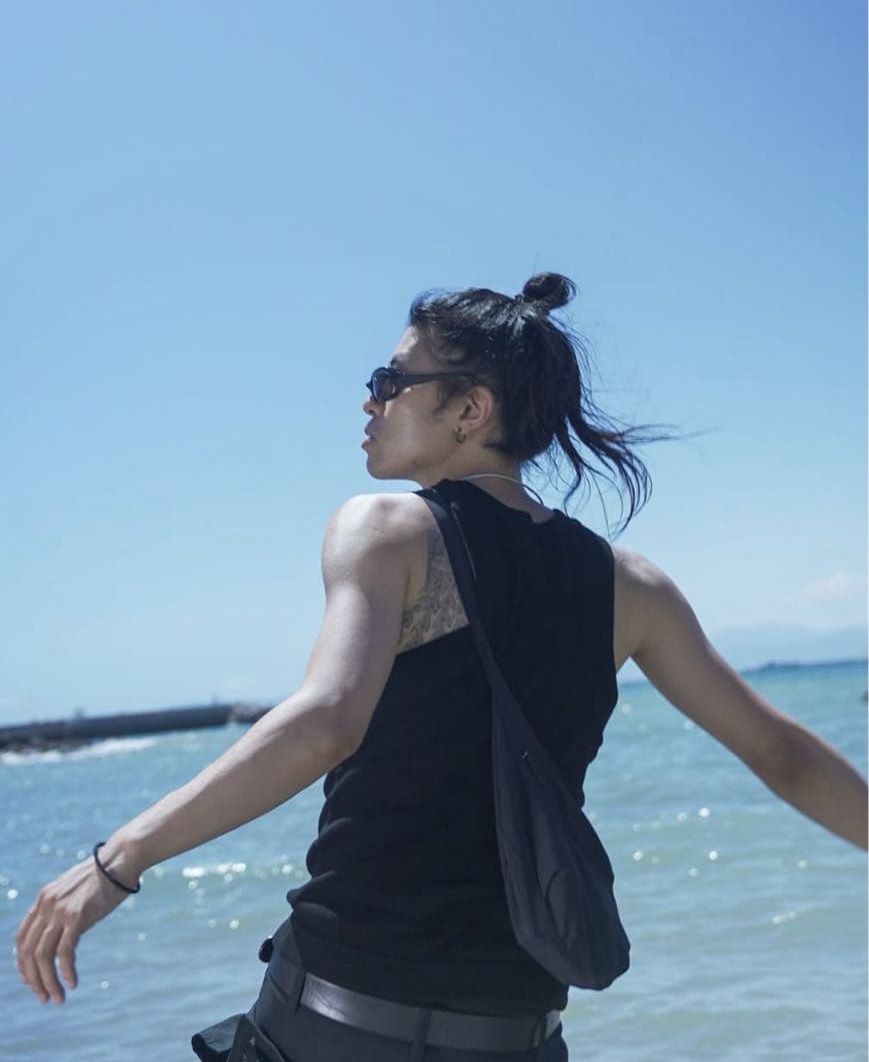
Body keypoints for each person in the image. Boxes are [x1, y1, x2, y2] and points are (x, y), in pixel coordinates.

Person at [15, 273, 868, 1061]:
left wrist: (119, 859)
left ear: (470, 409)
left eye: (391, 381)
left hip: (339, 1018)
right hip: (517, 1032)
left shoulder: (387, 529)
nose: (370, 399)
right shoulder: (631, 585)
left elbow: (326, 720)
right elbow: (781, 753)